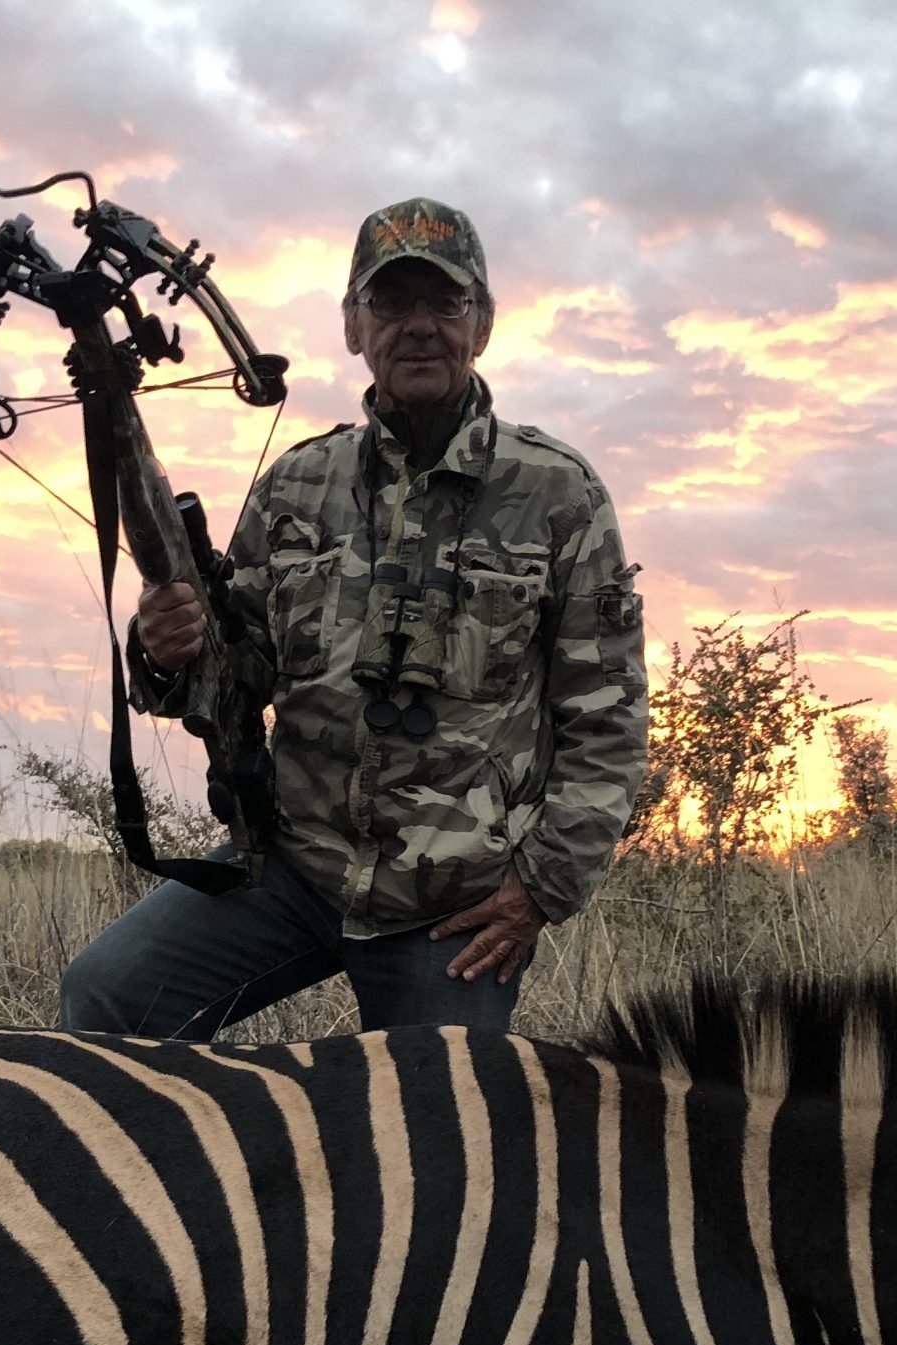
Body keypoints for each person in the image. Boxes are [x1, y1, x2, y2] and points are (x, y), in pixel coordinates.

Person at [57, 197, 649, 1039]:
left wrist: (542, 891)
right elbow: (238, 670)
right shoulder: (297, 484)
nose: (418, 327)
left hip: (453, 906)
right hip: (295, 867)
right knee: (106, 997)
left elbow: (609, 718)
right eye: (390, 303)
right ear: (351, 325)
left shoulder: (559, 493)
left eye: (444, 303)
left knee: (434, 1147)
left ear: (481, 325)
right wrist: (165, 650)